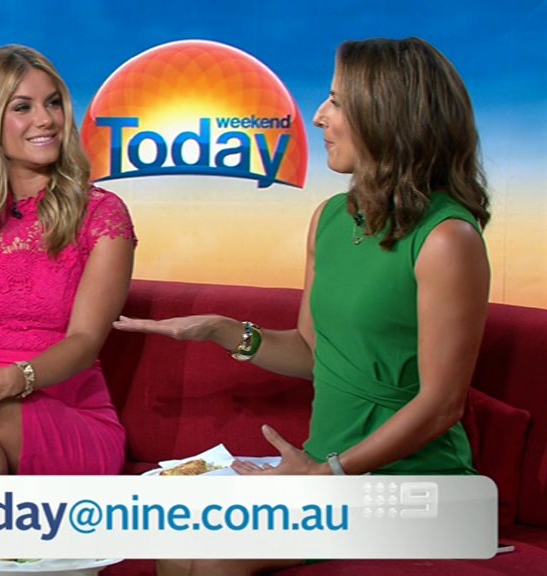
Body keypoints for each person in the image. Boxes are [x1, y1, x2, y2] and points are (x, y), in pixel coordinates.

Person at [115, 37, 490, 575]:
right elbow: (313, 352)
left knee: (218, 558)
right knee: (176, 544)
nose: (318, 117)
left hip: (412, 482)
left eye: (337, 101)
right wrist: (222, 329)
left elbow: (441, 405)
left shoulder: (448, 238)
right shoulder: (332, 217)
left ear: (387, 116)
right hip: (325, 470)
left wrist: (328, 474)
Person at [0, 45, 136, 475]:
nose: (46, 119)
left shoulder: (101, 214)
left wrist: (6, 382)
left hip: (71, 418)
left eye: (53, 103)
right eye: (23, 107)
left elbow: (84, 341)